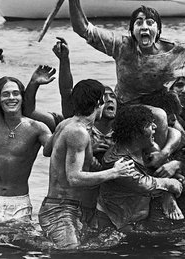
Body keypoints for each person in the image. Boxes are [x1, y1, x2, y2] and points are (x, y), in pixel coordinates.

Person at [39, 79, 134, 249]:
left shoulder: (66, 123)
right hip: (61, 210)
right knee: (71, 252)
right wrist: (114, 172)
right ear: (99, 103)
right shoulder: (78, 132)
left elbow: (47, 150)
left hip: (69, 207)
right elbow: (74, 178)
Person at [0, 49, 53, 223]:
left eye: (15, 93)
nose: (11, 98)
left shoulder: (37, 128)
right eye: (5, 94)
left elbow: (53, 150)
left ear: (22, 97)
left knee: (18, 249)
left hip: (19, 202)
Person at [97, 105, 184, 231]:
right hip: (116, 224)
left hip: (139, 218)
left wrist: (168, 156)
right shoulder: (116, 160)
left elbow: (175, 132)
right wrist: (169, 183)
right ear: (136, 133)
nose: (155, 127)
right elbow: (143, 184)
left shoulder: (144, 147)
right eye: (149, 124)